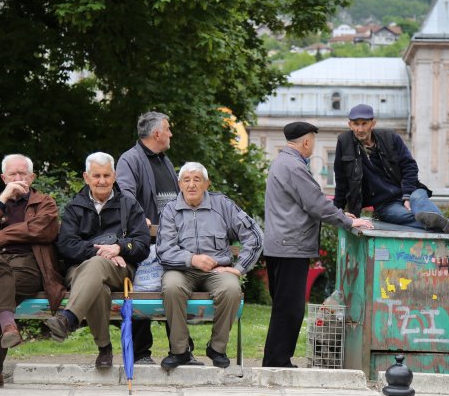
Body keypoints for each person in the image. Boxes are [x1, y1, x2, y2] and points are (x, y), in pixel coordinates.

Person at [262, 121, 374, 368]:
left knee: (283, 306)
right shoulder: (294, 167)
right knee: (290, 309)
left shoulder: (283, 162)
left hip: (281, 244)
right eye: (312, 139)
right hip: (291, 246)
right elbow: (316, 203)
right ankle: (277, 362)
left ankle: (274, 360)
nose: (312, 144)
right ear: (306, 141)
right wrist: (347, 221)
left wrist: (343, 216)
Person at [0, 154, 66, 390]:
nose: (18, 178)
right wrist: (3, 200)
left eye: (23, 174)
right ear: (3, 178)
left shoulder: (45, 203)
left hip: (29, 266)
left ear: (32, 176)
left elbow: (41, 230)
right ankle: (8, 327)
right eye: (13, 174)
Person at [46, 152, 150, 368]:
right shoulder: (75, 207)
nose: (101, 181)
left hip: (120, 270)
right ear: (86, 177)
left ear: (114, 176)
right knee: (98, 286)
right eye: (96, 176)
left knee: (97, 266)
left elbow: (142, 245)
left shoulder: (130, 206)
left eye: (106, 175)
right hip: (79, 270)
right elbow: (66, 245)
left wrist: (119, 247)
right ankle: (104, 348)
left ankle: (69, 318)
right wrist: (101, 252)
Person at [156, 162, 263, 369]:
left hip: (217, 270)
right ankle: (179, 351)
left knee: (232, 289)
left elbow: (255, 236)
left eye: (197, 180)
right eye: (186, 180)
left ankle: (217, 347)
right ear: (179, 184)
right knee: (171, 287)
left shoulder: (222, 204)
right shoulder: (170, 210)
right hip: (182, 270)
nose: (192, 185)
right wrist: (192, 259)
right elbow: (164, 251)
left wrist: (239, 268)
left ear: (207, 184)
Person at [116, 111, 198, 366]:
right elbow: (126, 196)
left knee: (174, 292)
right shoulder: (130, 160)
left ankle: (182, 351)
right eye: (168, 128)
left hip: (170, 242)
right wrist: (141, 219)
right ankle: (141, 353)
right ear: (156, 133)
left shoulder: (163, 159)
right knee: (142, 292)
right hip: (145, 243)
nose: (171, 133)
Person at [333, 103, 449, 234]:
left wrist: (407, 196)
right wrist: (338, 212)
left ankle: (448, 223)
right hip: (385, 204)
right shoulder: (344, 143)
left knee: (421, 206)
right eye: (356, 124)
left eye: (364, 123)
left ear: (373, 123)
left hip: (411, 190)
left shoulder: (390, 138)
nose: (360, 129)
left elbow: (409, 166)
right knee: (417, 217)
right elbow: (341, 180)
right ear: (349, 125)